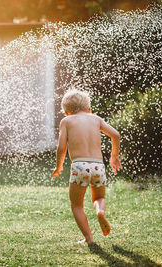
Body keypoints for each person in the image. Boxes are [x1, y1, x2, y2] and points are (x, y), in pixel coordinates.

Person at [52, 89, 122, 244]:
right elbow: (116, 135)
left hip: (79, 166)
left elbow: (61, 148)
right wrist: (114, 156)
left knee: (77, 205)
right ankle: (100, 211)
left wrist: (59, 166)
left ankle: (89, 238)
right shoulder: (95, 119)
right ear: (89, 109)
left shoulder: (67, 121)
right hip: (98, 166)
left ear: (66, 112)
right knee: (99, 197)